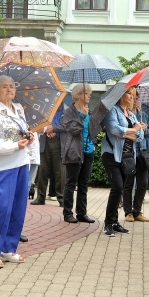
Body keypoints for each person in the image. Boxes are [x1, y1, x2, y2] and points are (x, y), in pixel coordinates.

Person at [0, 75, 34, 268]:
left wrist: (29, 137)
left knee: (18, 207)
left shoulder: (18, 109)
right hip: (2, 165)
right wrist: (13, 146)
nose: (9, 89)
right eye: (4, 87)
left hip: (21, 162)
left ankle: (9, 248)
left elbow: (22, 130)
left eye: (12, 86)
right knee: (2, 207)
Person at [102, 87, 144, 237]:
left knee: (121, 188)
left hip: (127, 157)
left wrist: (132, 131)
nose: (131, 96)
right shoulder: (113, 110)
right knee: (117, 186)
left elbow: (141, 135)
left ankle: (115, 222)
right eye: (128, 93)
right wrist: (133, 130)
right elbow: (114, 129)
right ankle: (108, 224)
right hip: (111, 154)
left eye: (132, 94)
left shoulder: (131, 114)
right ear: (121, 95)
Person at [54, 83, 97, 224]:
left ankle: (82, 213)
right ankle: (67, 213)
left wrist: (93, 141)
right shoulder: (69, 112)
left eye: (90, 93)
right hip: (74, 152)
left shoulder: (87, 110)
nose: (89, 95)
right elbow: (73, 130)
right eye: (86, 93)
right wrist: (82, 116)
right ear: (78, 95)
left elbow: (90, 131)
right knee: (71, 183)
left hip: (88, 151)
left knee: (83, 184)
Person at [124, 92, 149, 223]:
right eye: (134, 98)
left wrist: (146, 129)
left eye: (137, 98)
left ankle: (137, 211)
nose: (136, 101)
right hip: (130, 153)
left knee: (143, 184)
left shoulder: (144, 115)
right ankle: (128, 212)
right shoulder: (127, 115)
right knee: (129, 183)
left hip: (142, 154)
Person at [31, 104, 65, 206]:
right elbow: (38, 124)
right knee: (43, 171)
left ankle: (62, 198)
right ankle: (40, 197)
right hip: (45, 141)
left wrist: (53, 128)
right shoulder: (45, 110)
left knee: (60, 172)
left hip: (59, 142)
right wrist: (47, 130)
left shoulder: (67, 111)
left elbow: (68, 125)